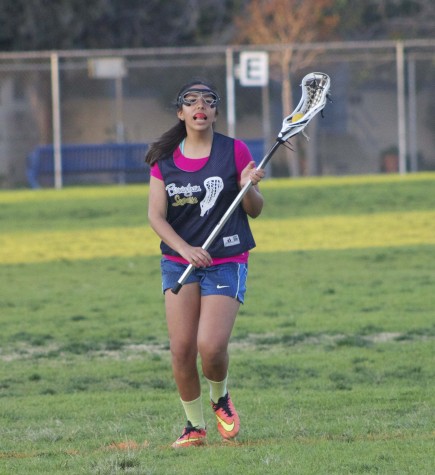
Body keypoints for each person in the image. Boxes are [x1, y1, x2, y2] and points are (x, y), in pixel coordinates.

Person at [145, 79, 265, 448]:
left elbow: (255, 211)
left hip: (227, 257)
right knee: (182, 349)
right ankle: (194, 427)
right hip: (180, 261)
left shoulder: (235, 151)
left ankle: (220, 397)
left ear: (215, 112)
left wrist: (249, 187)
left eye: (208, 101)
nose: (200, 106)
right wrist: (185, 249)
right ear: (180, 112)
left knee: (210, 347)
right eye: (191, 101)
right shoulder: (164, 161)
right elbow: (155, 217)